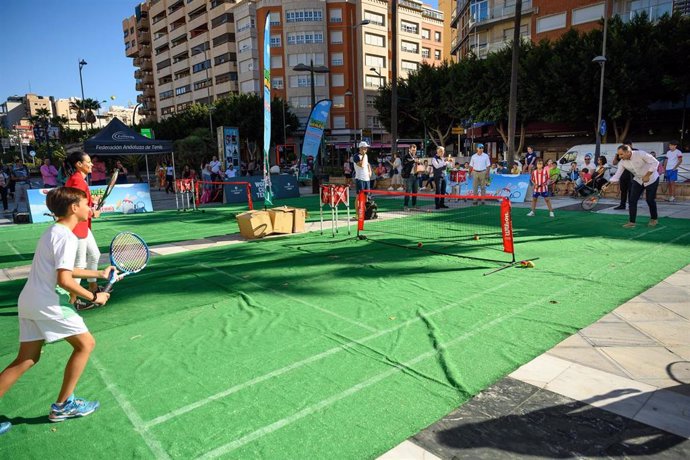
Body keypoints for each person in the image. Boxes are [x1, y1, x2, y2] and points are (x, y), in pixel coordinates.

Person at [0, 187, 113, 435]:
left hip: (29, 300)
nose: (89, 208)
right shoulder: (68, 237)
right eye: (86, 203)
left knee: (26, 358)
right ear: (74, 208)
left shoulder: (53, 231)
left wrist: (98, 273)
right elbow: (64, 280)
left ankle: (64, 404)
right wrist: (95, 296)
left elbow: (62, 270)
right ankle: (63, 406)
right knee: (86, 345)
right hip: (47, 302)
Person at [65, 152, 102, 302]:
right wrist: (93, 212)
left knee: (94, 255)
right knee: (79, 264)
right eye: (88, 162)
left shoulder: (79, 179)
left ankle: (92, 287)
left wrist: (92, 201)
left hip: (82, 226)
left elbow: (81, 201)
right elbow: (75, 206)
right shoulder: (77, 181)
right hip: (77, 226)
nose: (92, 164)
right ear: (79, 164)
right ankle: (72, 300)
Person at [608, 144, 659, 228]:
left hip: (652, 179)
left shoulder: (641, 154)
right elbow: (617, 175)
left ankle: (654, 219)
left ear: (628, 152)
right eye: (618, 154)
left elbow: (655, 162)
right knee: (632, 201)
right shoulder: (622, 162)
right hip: (638, 180)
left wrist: (647, 175)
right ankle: (632, 222)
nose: (620, 156)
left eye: (621, 154)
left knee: (650, 200)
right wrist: (608, 184)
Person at [402, 144, 420, 209]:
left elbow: (418, 166)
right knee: (408, 191)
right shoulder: (406, 156)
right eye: (412, 150)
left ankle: (414, 205)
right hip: (409, 176)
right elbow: (404, 164)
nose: (414, 151)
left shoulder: (417, 156)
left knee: (415, 191)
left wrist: (419, 163)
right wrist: (413, 161)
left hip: (416, 175)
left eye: (415, 150)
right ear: (409, 149)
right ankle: (405, 206)